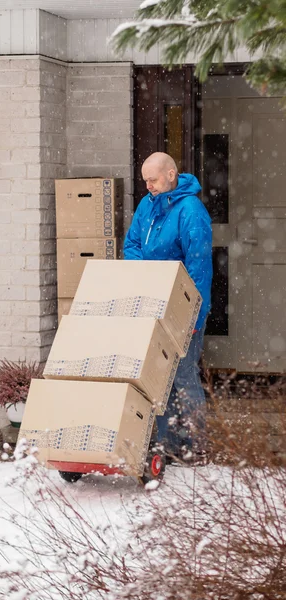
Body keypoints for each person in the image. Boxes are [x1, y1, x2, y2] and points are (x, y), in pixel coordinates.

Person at [124, 152, 213, 464]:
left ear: (171, 174)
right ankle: (169, 443)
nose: (148, 186)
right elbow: (131, 244)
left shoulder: (191, 211)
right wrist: (146, 273)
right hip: (151, 304)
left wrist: (195, 315)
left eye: (154, 179)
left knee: (185, 377)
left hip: (181, 308)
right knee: (160, 378)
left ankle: (196, 445)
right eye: (145, 180)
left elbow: (199, 267)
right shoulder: (147, 206)